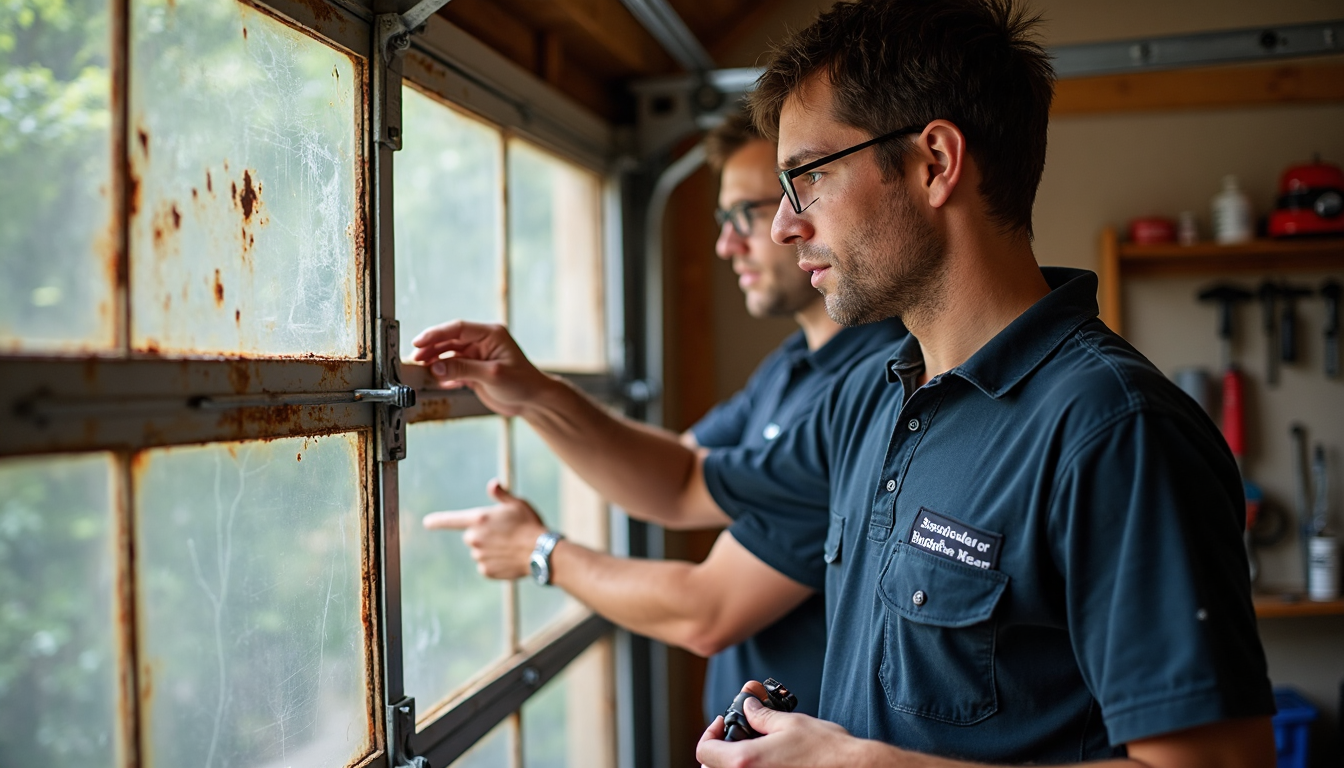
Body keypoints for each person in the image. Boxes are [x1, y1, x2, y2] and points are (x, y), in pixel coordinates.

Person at [416, 0, 1278, 765]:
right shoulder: (874, 398)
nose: (786, 226)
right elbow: (685, 480)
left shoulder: (1113, 431)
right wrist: (529, 391)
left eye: (811, 177)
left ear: (936, 162)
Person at [417, 113, 907, 724]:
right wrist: (536, 396)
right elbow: (674, 479)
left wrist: (539, 550)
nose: (729, 244)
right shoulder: (788, 368)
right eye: (725, 220)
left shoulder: (880, 385)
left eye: (746, 212)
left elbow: (705, 611)